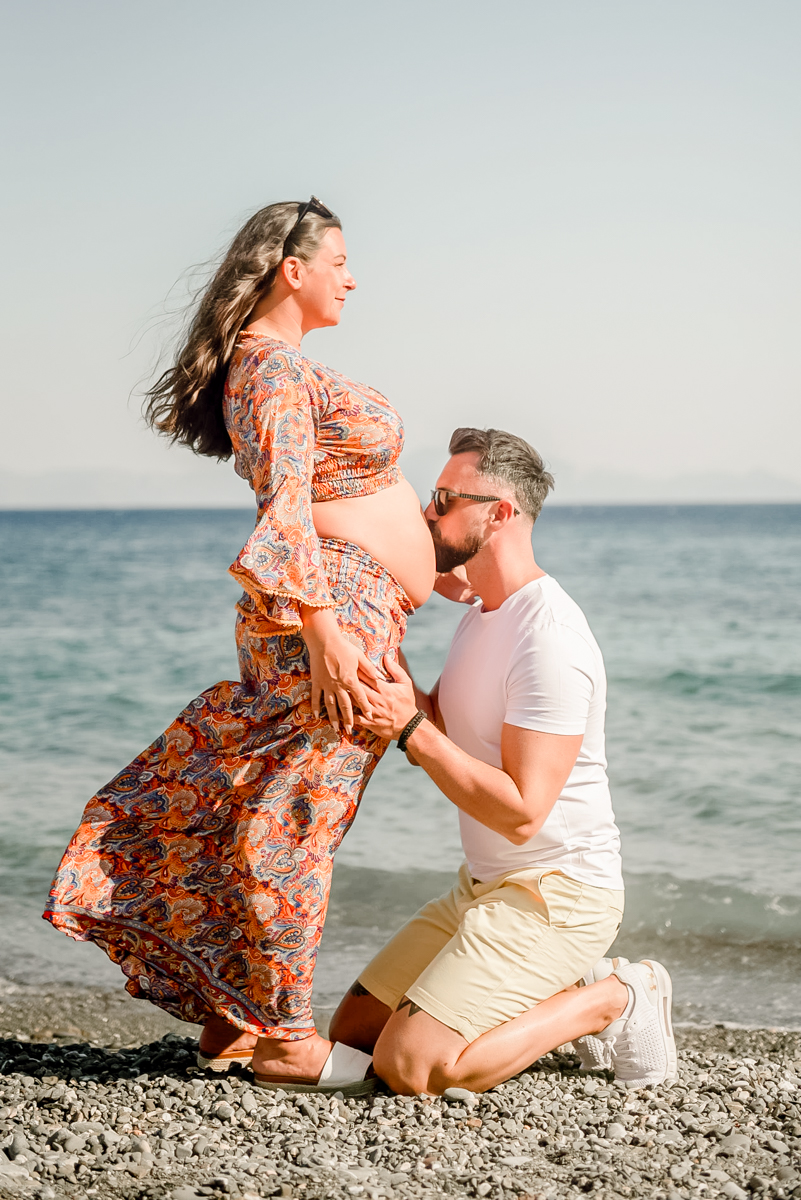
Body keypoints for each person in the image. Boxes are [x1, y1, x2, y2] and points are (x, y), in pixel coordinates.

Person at [43, 197, 436, 1095]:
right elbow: (286, 506)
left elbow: (329, 494)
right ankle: (289, 1038)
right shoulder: (266, 368)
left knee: (259, 796)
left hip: (334, 606)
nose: (351, 275)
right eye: (338, 259)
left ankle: (230, 1012)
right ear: (290, 270)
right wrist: (327, 632)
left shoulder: (280, 365)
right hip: (326, 615)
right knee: (297, 817)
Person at [330, 427, 676, 1094]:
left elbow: (521, 814)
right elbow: (441, 730)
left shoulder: (548, 640)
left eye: (442, 499)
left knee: (412, 1067)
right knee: (354, 1036)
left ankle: (614, 995)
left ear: (499, 514)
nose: (427, 513)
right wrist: (392, 677)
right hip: (484, 888)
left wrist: (407, 727)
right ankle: (555, 979)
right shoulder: (484, 608)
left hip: (558, 895)